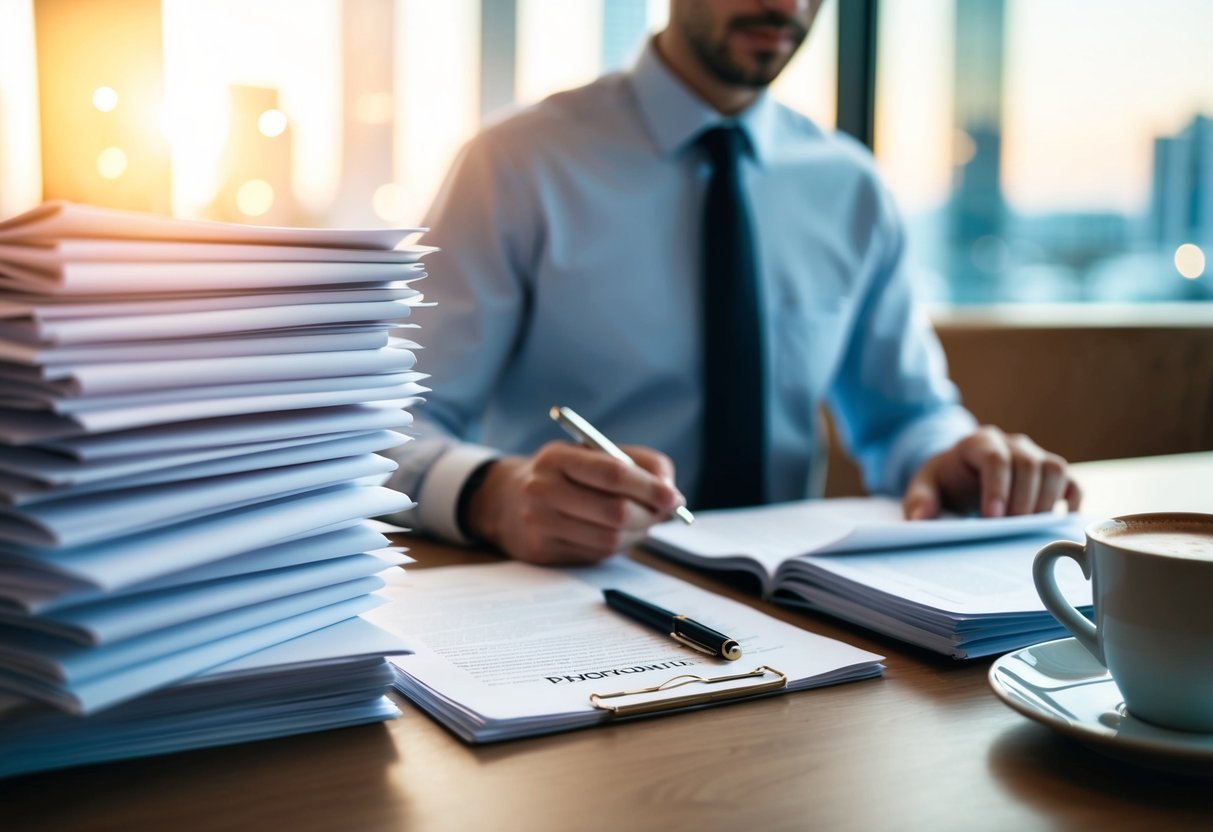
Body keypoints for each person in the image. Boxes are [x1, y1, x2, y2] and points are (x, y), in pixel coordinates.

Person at [385, 0, 1081, 564]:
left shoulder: (849, 186)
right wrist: (489, 495)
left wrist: (950, 456)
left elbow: (903, 415)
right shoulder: (513, 164)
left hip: (799, 609)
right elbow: (391, 423)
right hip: (566, 596)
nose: (785, 6)